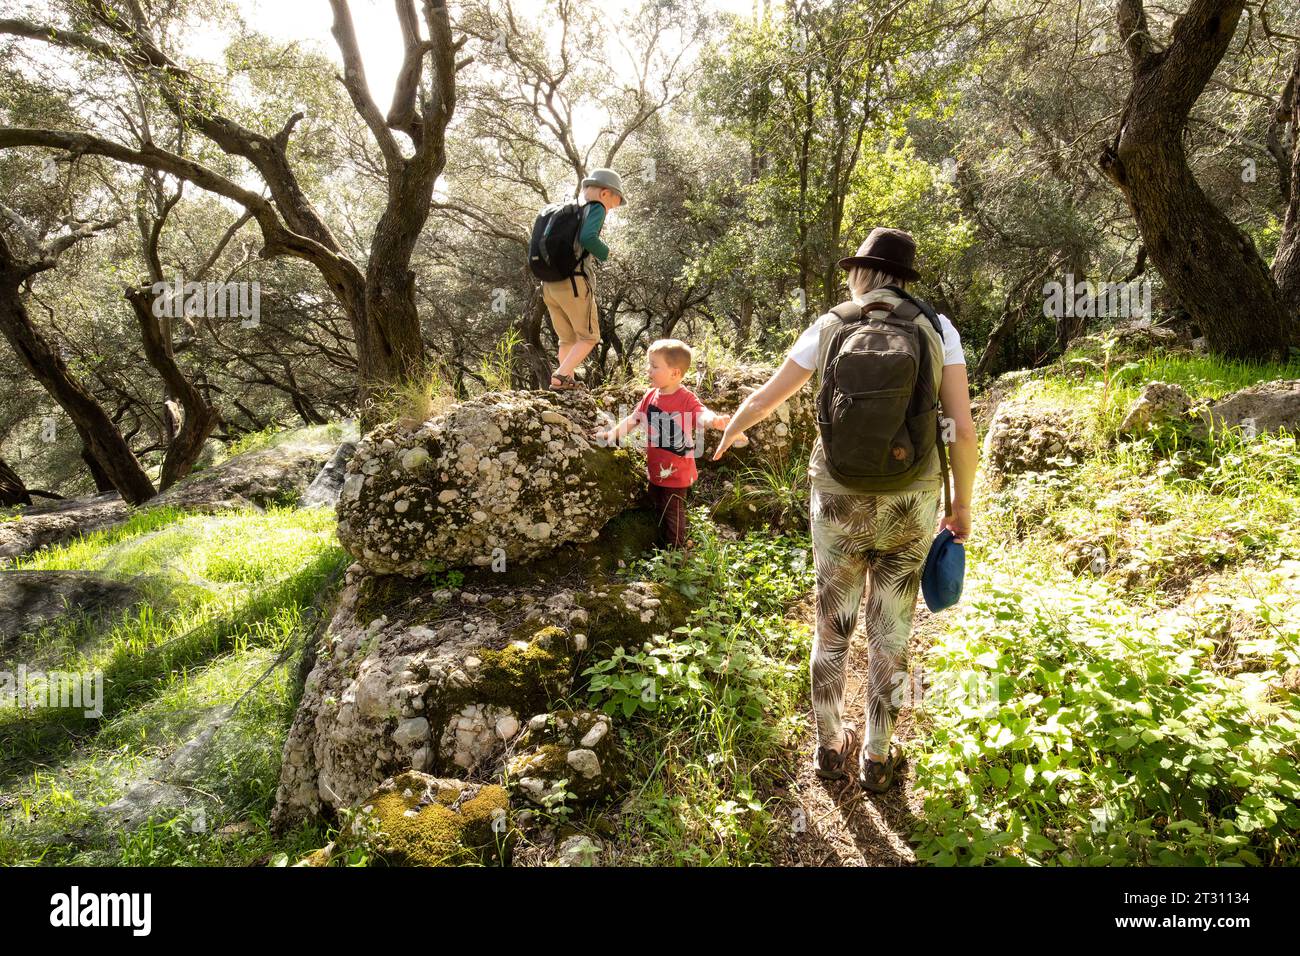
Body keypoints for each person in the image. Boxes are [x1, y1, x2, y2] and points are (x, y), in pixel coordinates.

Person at [712, 227, 979, 793]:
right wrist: (961, 505)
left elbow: (767, 396)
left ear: (860, 272)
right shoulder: (936, 327)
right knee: (891, 631)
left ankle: (829, 747)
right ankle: (878, 756)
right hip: (912, 495)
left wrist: (731, 428)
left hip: (836, 495)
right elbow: (961, 429)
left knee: (832, 627)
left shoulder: (832, 323)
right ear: (905, 278)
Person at [593, 339, 736, 550]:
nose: (648, 370)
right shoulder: (650, 396)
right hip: (655, 467)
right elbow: (634, 419)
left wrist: (714, 420)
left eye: (654, 366)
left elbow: (701, 413)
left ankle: (677, 554)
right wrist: (611, 435)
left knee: (673, 512)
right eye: (649, 364)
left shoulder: (685, 398)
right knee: (656, 503)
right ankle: (659, 543)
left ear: (675, 373)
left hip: (677, 473)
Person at [543, 168, 624, 391]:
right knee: (589, 337)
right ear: (605, 193)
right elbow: (588, 237)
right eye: (616, 200)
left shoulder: (568, 210)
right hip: (575, 283)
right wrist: (606, 253)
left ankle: (565, 381)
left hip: (550, 283)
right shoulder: (595, 208)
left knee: (566, 339)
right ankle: (560, 376)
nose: (614, 206)